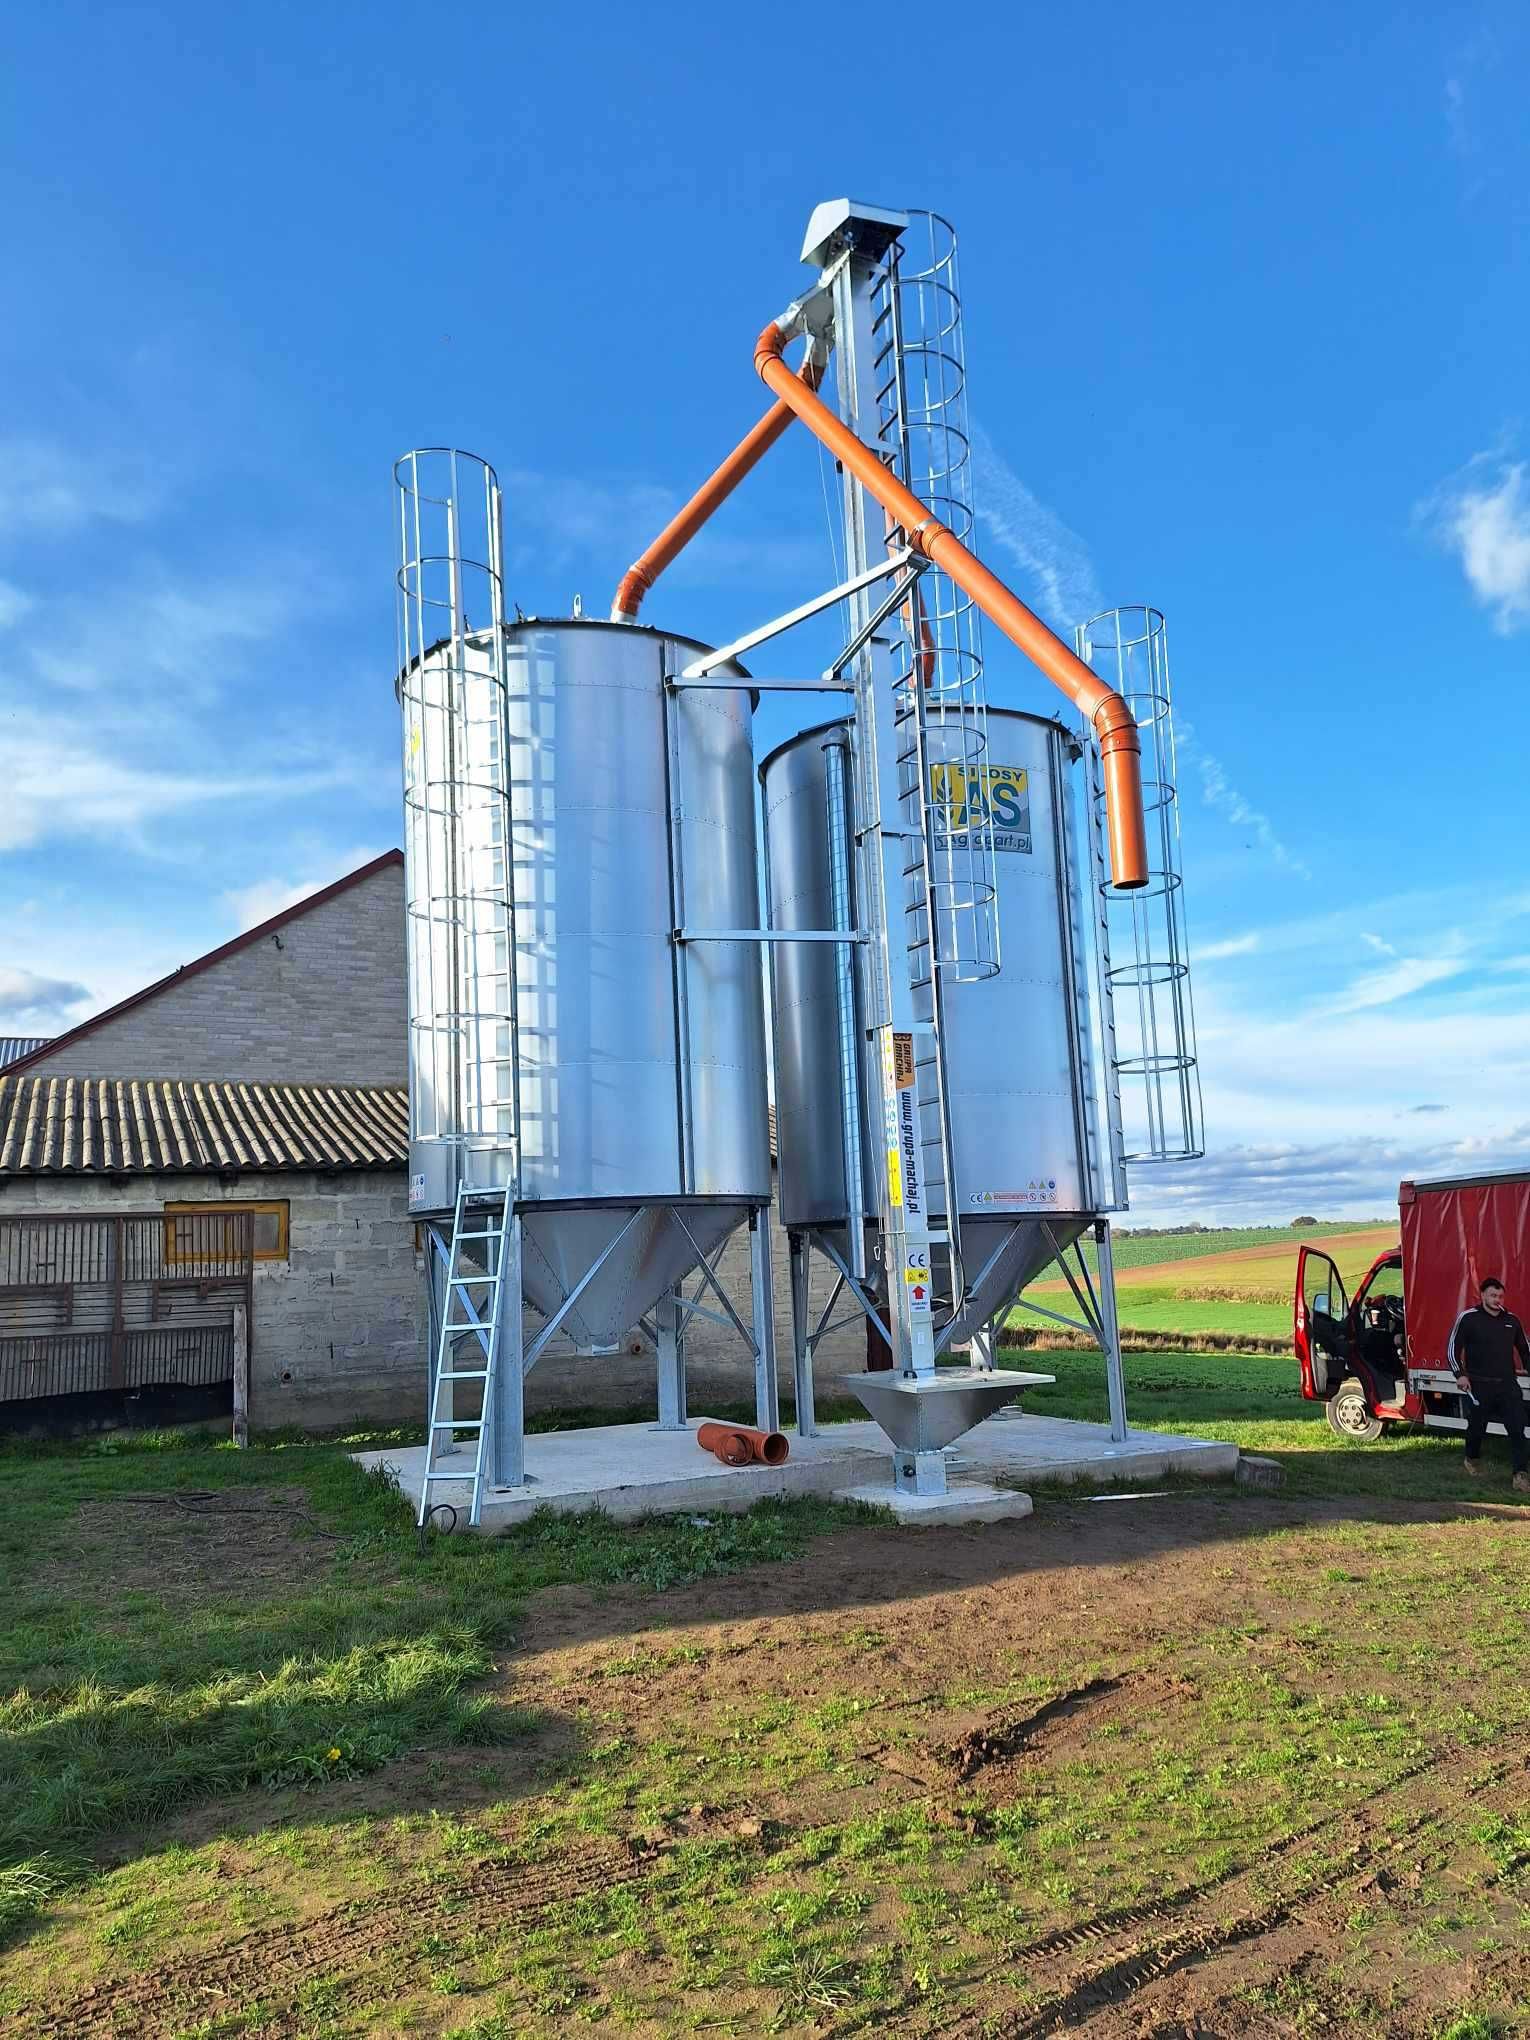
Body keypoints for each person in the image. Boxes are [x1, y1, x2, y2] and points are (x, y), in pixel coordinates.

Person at [1452, 1277, 1530, 1492]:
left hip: (1507, 1385)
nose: (1497, 1300)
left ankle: (1520, 1475)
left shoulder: (1511, 1321)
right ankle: (1472, 1459)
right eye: (1493, 1295)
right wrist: (1460, 1374)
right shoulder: (1468, 1318)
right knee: (1477, 1428)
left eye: (1500, 1296)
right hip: (1479, 1386)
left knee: (1517, 1430)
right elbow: (1453, 1349)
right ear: (1483, 1295)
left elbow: (1524, 1351)